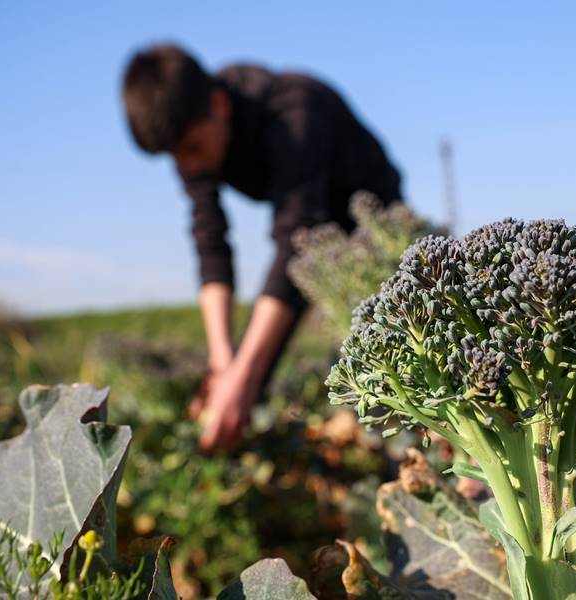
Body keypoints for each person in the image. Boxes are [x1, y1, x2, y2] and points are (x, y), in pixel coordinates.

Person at [121, 44, 402, 452]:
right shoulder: (195, 144)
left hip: (372, 226)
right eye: (175, 157)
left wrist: (244, 376)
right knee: (243, 375)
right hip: (307, 234)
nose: (187, 167)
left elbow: (296, 241)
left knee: (381, 354)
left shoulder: (295, 109)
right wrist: (223, 365)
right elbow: (210, 243)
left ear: (218, 104)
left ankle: (398, 447)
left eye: (192, 148)